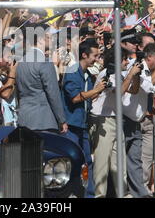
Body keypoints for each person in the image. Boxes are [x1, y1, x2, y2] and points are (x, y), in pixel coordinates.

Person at [89, 48, 141, 197]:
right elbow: (119, 92)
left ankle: (122, 194)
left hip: (117, 120)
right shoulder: (106, 74)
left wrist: (135, 76)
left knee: (119, 165)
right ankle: (99, 195)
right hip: (103, 120)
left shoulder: (119, 75)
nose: (127, 62)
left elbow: (134, 90)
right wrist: (130, 74)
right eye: (124, 59)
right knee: (102, 165)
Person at [61, 41, 106, 198]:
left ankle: (89, 194)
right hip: (72, 124)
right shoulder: (73, 72)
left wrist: (99, 90)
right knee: (72, 160)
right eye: (94, 55)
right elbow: (74, 98)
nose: (96, 59)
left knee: (87, 160)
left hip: (82, 124)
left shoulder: (87, 74)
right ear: (84, 55)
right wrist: (96, 90)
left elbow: (87, 97)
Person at [122, 42, 155, 198]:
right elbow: (148, 87)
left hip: (136, 120)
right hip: (125, 118)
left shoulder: (145, 69)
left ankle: (138, 193)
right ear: (149, 56)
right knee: (125, 159)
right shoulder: (137, 66)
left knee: (135, 159)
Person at [15, 23, 68, 133]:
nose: (53, 40)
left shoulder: (21, 62)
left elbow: (19, 92)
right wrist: (61, 119)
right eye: (49, 37)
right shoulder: (45, 62)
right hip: (43, 120)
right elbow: (53, 93)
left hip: (25, 118)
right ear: (40, 39)